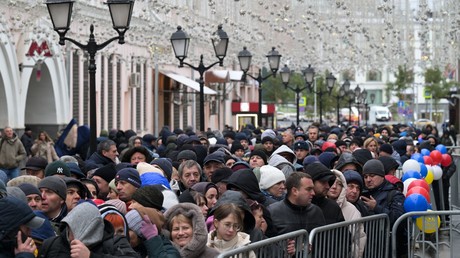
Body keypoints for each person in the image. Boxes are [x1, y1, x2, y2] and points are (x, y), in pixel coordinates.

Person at [39, 202, 139, 257]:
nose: (73, 236)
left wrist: (90, 256)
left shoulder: (115, 243)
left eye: (80, 229)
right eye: (71, 228)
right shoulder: (51, 244)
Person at [328, 169, 366, 258]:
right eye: (331, 182)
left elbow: (359, 239)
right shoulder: (314, 206)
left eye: (339, 184)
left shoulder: (353, 210)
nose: (334, 186)